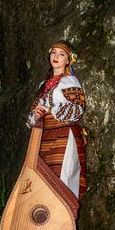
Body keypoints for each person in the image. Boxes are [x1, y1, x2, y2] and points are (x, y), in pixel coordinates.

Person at [26, 40, 87, 200]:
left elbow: (77, 110)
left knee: (64, 180)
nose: (56, 56)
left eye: (61, 54)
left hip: (64, 136)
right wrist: (37, 113)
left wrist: (51, 109)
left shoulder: (70, 81)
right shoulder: (43, 84)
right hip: (44, 138)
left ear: (68, 60)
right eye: (54, 52)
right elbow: (31, 118)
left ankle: (65, 222)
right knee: (44, 181)